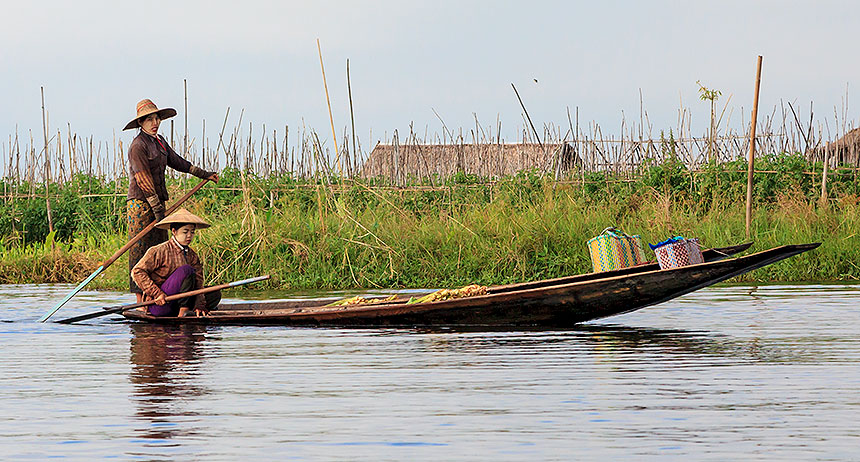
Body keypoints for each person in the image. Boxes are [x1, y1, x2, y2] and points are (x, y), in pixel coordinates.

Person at [123, 98, 219, 303]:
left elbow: (178, 162)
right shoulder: (137, 146)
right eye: (149, 119)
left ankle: (158, 297)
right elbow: (143, 179)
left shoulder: (160, 143)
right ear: (141, 123)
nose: (154, 122)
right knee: (141, 250)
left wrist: (203, 174)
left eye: (156, 118)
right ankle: (141, 303)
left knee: (159, 248)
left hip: (158, 202)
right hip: (140, 204)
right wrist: (157, 210)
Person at [131, 208, 221, 317]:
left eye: (192, 232)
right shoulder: (159, 250)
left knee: (214, 292)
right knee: (186, 270)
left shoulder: (192, 255)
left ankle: (190, 310)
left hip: (180, 302)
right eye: (185, 232)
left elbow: (198, 282)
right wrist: (156, 294)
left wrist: (200, 305)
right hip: (160, 304)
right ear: (174, 231)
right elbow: (137, 272)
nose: (189, 236)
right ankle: (183, 312)